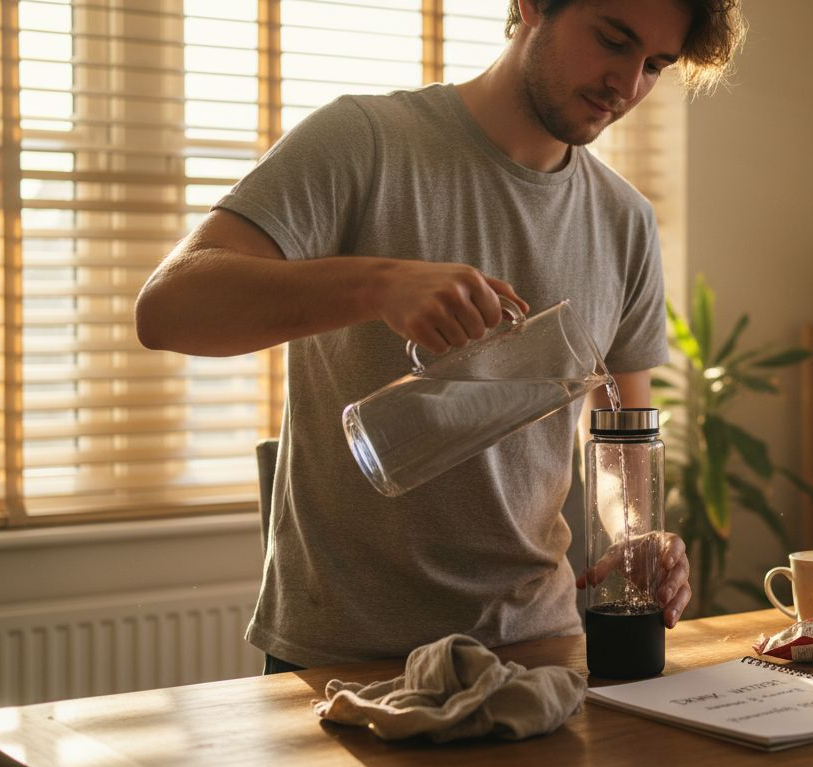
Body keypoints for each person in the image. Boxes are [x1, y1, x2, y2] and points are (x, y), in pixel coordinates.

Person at [134, 0, 746, 672]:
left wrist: (637, 534)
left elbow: (619, 438)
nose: (626, 86)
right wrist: (379, 285)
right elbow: (168, 308)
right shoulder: (364, 140)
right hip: (352, 655)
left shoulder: (624, 219)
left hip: (537, 646)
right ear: (530, 6)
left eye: (655, 65)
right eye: (612, 40)